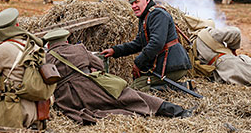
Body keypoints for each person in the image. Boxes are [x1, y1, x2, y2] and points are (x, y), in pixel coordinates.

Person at [43, 29, 193, 124]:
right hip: (91, 89)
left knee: (101, 110)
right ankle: (177, 111)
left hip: (68, 101)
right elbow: (100, 65)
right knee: (131, 95)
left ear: (49, 46)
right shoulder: (78, 49)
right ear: (67, 40)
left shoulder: (45, 58)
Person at [102, 0, 192, 92]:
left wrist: (138, 63)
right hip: (165, 65)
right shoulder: (145, 17)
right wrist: (115, 51)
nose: (134, 6)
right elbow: (138, 43)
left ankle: (184, 87)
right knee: (137, 84)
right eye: (131, 3)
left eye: (137, 2)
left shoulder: (157, 15)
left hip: (173, 66)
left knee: (136, 89)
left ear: (147, 0)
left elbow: (156, 43)